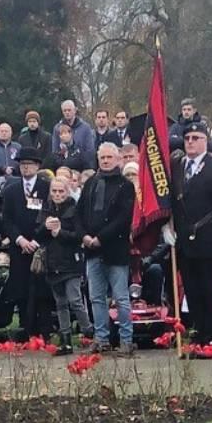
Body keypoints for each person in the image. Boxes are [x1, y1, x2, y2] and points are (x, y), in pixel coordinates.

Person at [169, 122, 212, 348]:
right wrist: (166, 228)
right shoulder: (177, 166)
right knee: (191, 289)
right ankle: (197, 332)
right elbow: (170, 202)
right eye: (187, 138)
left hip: (208, 237)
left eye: (195, 138)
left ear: (205, 140)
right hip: (184, 240)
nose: (190, 142)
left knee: (209, 288)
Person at [77, 142, 135, 354]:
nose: (106, 161)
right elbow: (79, 212)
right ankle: (101, 338)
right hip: (91, 249)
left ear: (118, 159)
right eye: (102, 158)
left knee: (121, 298)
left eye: (110, 157)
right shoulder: (91, 182)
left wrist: (101, 238)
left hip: (115, 249)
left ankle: (126, 340)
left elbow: (123, 218)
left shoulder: (125, 185)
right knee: (96, 297)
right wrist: (83, 235)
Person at [34, 175, 89, 354]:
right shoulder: (46, 209)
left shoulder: (74, 209)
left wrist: (60, 232)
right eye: (54, 191)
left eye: (61, 191)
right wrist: (45, 227)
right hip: (52, 262)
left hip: (71, 261)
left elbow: (79, 235)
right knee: (60, 303)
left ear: (67, 191)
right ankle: (65, 340)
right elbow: (38, 235)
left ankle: (89, 330)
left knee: (75, 300)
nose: (57, 195)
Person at [0, 151, 52, 341]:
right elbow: (6, 220)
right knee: (21, 289)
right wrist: (20, 239)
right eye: (22, 164)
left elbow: (50, 216)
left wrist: (36, 241)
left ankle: (44, 331)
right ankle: (26, 329)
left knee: (42, 290)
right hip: (19, 247)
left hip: (41, 247)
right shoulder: (10, 190)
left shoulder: (46, 188)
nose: (26, 167)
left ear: (38, 166)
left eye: (30, 164)